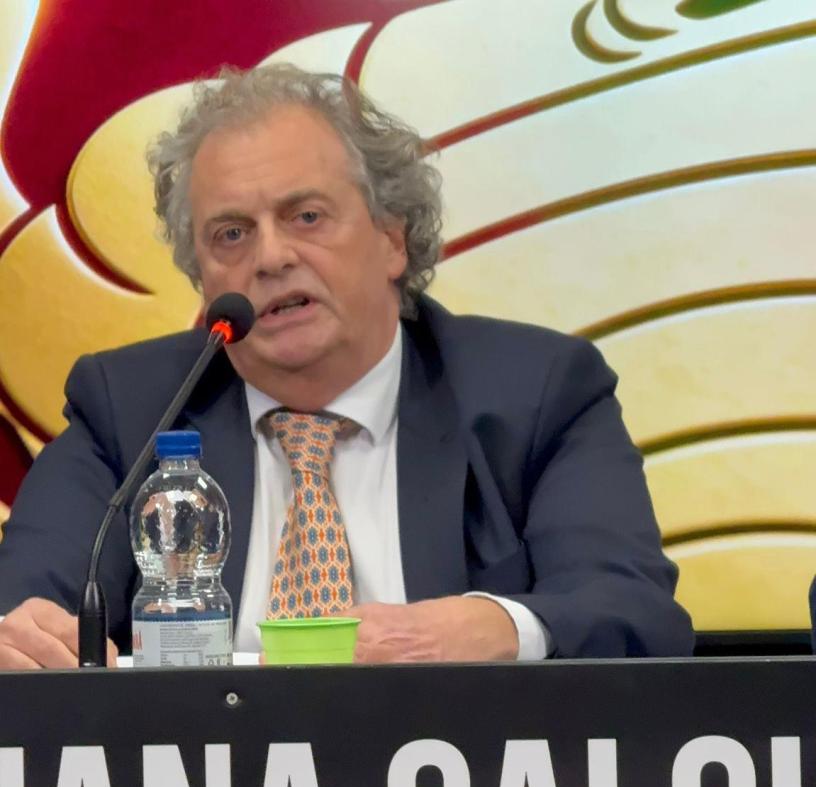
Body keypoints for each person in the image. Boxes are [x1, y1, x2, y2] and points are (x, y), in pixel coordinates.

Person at [0, 63, 694, 668]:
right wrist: (25, 636)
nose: (270, 258)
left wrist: (492, 627)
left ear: (392, 241)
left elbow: (633, 614)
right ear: (203, 275)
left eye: (306, 216)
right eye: (231, 234)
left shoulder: (536, 393)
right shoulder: (130, 411)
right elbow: (23, 604)